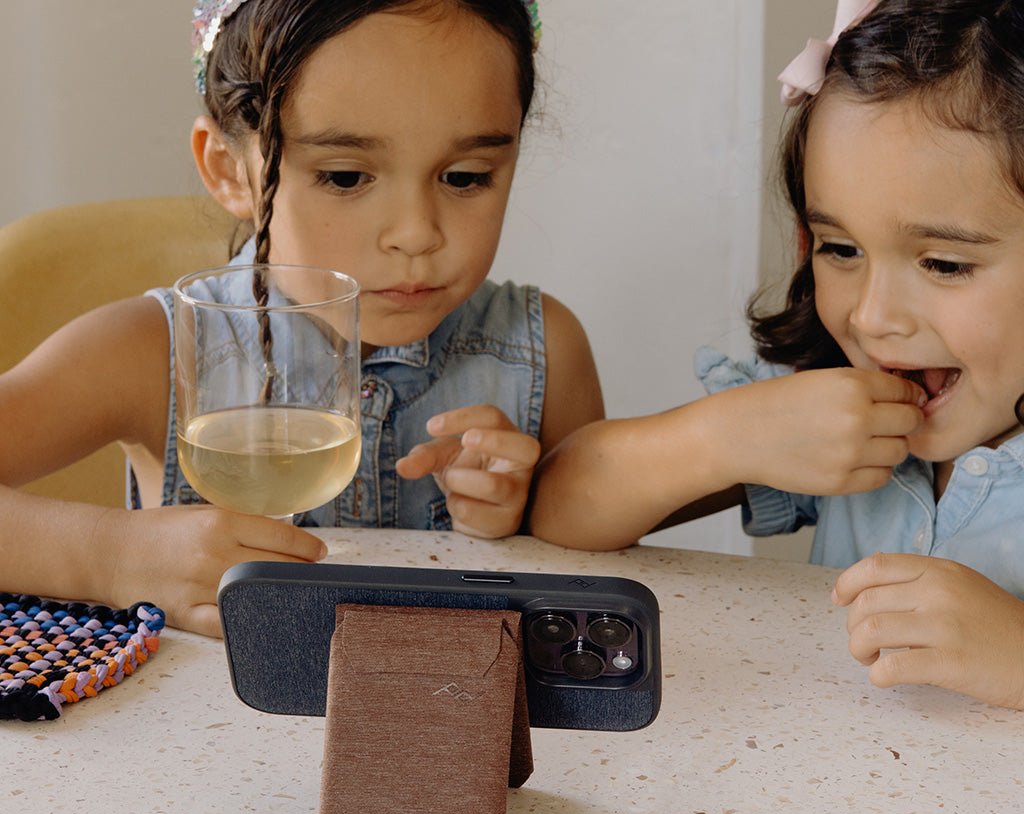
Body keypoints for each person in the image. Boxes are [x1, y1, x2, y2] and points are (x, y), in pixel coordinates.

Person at [0, 0, 603, 637]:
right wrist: (114, 556)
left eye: (464, 176)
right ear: (230, 169)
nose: (416, 233)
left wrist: (523, 514)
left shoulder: (544, 349)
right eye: (344, 176)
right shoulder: (150, 349)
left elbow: (596, 575)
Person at [530, 0, 1024, 710]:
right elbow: (560, 515)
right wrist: (726, 436)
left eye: (944, 263)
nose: (871, 317)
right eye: (840, 249)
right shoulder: (831, 394)